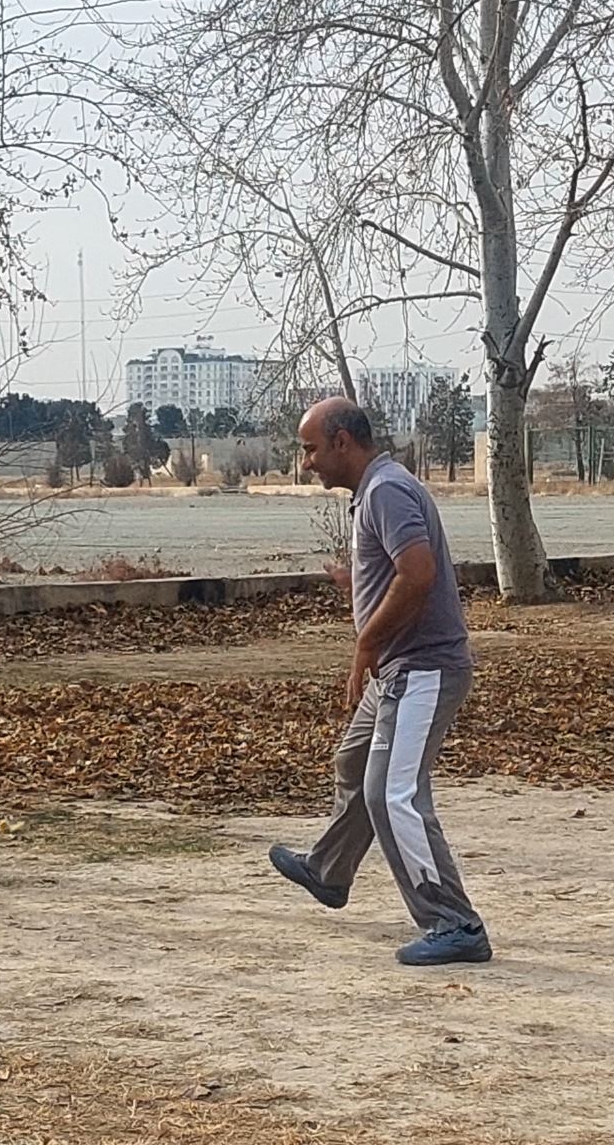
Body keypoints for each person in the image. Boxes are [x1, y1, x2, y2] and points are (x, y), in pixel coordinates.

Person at [267, 398, 489, 966]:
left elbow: (419, 573)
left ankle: (454, 923)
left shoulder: (386, 490)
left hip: (422, 668)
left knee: (392, 793)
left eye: (311, 449)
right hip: (401, 669)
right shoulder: (377, 491)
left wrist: (366, 642)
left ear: (342, 442)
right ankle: (329, 870)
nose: (307, 462)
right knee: (355, 762)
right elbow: (400, 570)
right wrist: (359, 581)